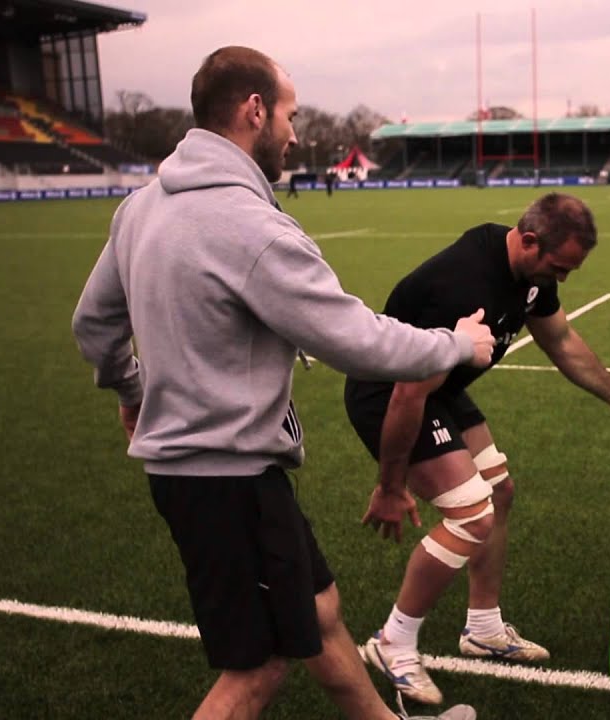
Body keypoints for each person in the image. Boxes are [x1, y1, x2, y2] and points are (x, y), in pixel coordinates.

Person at [71, 46, 490, 720]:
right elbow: (354, 338)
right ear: (255, 110)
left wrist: (132, 390)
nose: (296, 133)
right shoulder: (255, 228)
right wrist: (456, 344)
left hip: (214, 475)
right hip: (226, 479)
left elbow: (94, 326)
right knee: (259, 667)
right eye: (290, 115)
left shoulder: (138, 209)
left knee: (320, 612)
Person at [343, 193, 610, 705]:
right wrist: (390, 486)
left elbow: (561, 338)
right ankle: (393, 640)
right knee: (470, 516)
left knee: (499, 493)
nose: (562, 279)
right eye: (558, 266)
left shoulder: (529, 273)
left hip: (440, 389)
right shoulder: (465, 287)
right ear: (528, 241)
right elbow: (408, 394)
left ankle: (482, 628)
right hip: (390, 394)